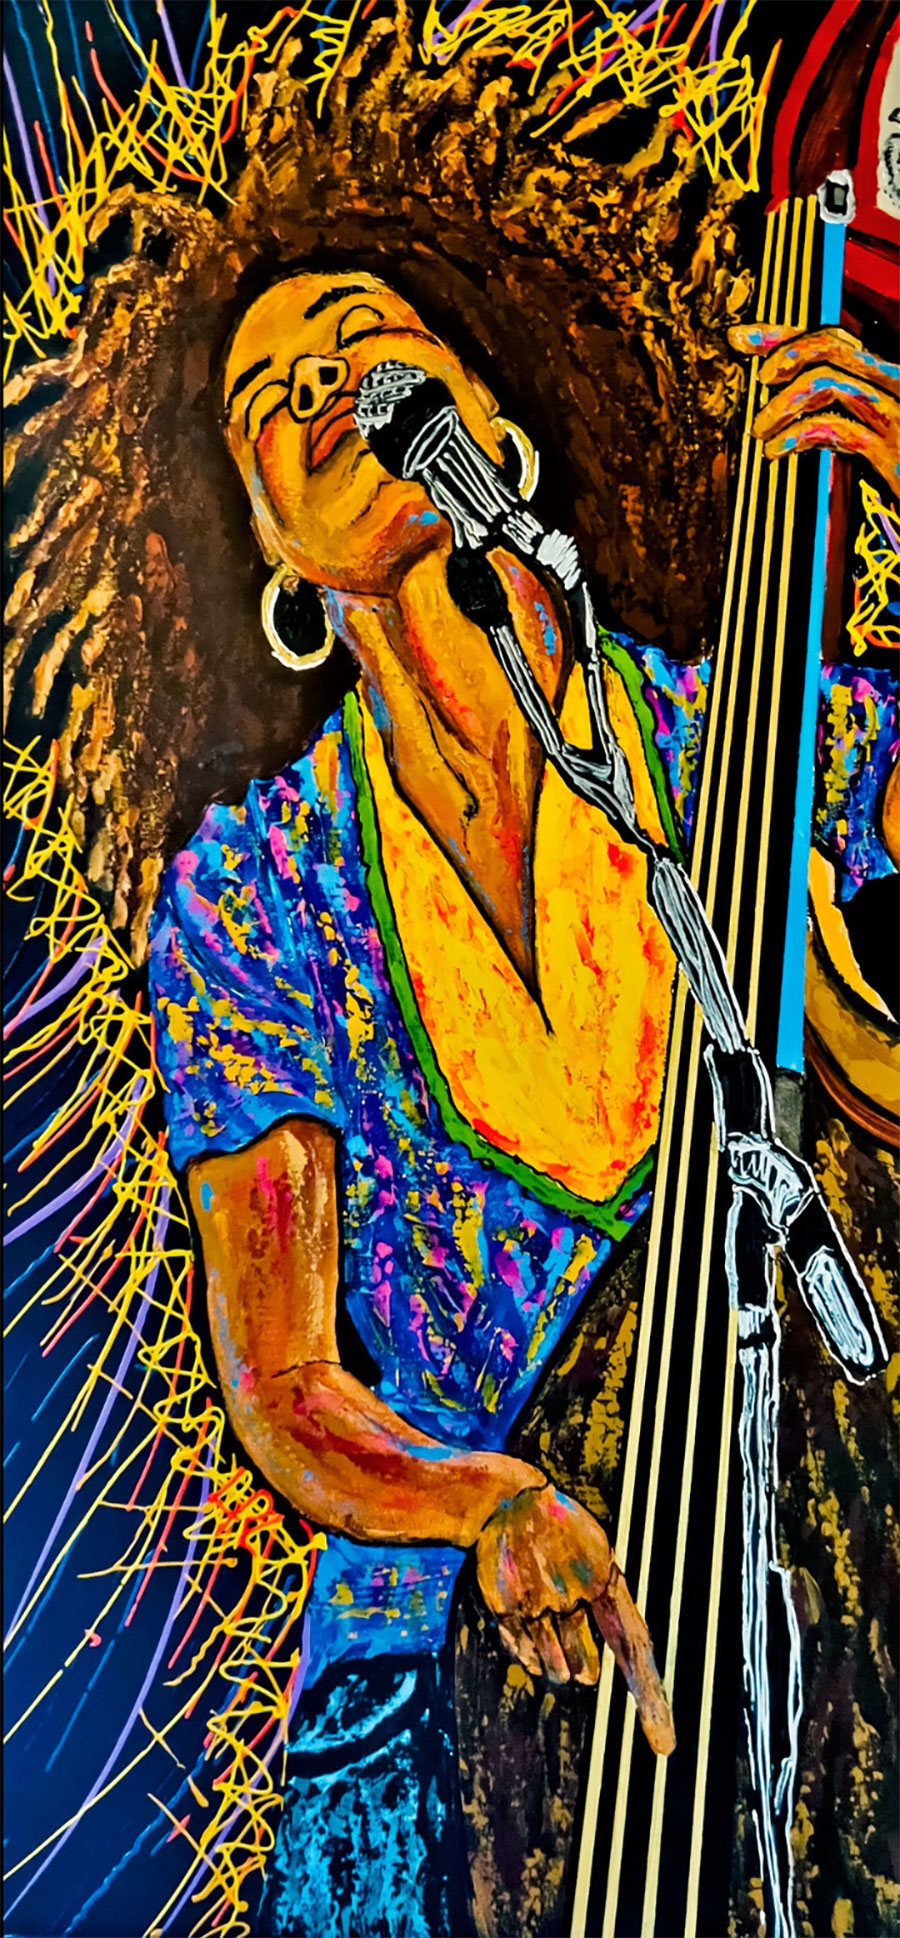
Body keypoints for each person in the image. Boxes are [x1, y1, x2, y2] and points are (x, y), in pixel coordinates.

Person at [147, 269, 898, 1937]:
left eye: (361, 334)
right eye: (268, 397)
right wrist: (482, 1498)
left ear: (494, 430)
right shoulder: (256, 892)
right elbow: (285, 1381)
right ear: (272, 552)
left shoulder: (737, 743)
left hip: (792, 1607)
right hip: (456, 1686)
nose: (323, 384)